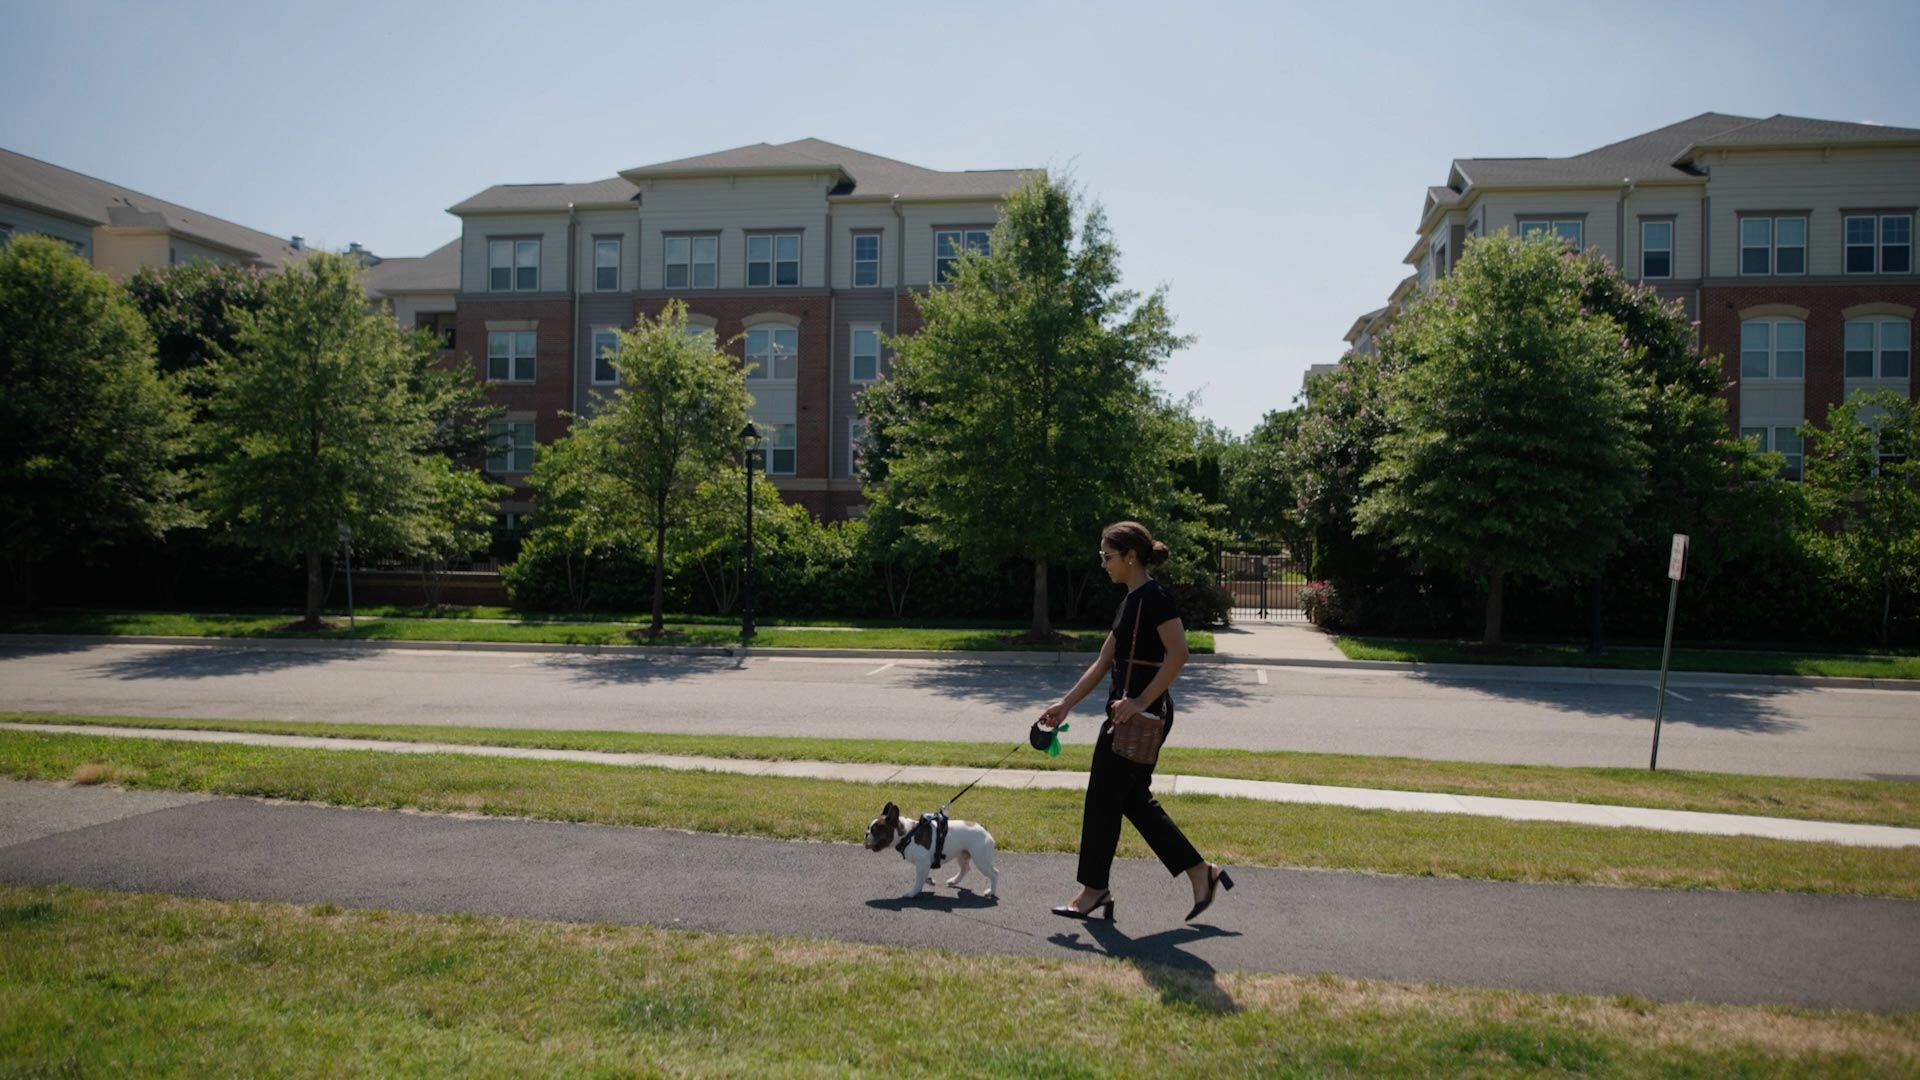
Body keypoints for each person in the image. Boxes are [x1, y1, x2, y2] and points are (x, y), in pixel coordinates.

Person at [1035, 520, 1233, 923]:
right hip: (1127, 713)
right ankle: (1201, 873)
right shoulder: (1130, 600)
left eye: (1107, 556)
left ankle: (1094, 890)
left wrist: (1141, 700)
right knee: (1132, 800)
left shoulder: (1156, 598)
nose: (1103, 563)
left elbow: (1179, 654)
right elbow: (1103, 660)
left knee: (1102, 799)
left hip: (1140, 716)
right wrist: (1066, 704)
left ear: (1129, 557)